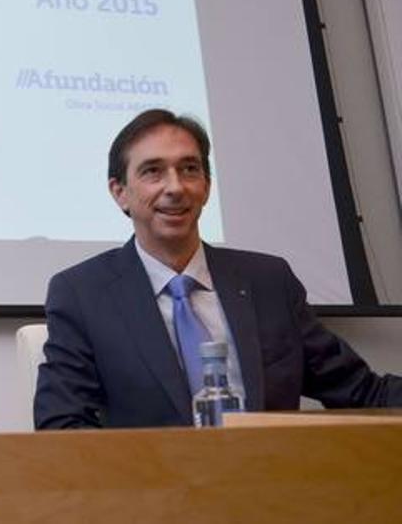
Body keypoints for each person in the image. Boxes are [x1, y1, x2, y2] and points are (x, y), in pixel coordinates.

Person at [35, 108, 402, 429]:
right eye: (153, 172)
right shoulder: (83, 294)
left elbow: (363, 392)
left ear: (207, 186)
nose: (175, 187)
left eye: (189, 169)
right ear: (119, 192)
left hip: (272, 477)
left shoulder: (268, 281)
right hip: (153, 483)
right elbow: (63, 423)